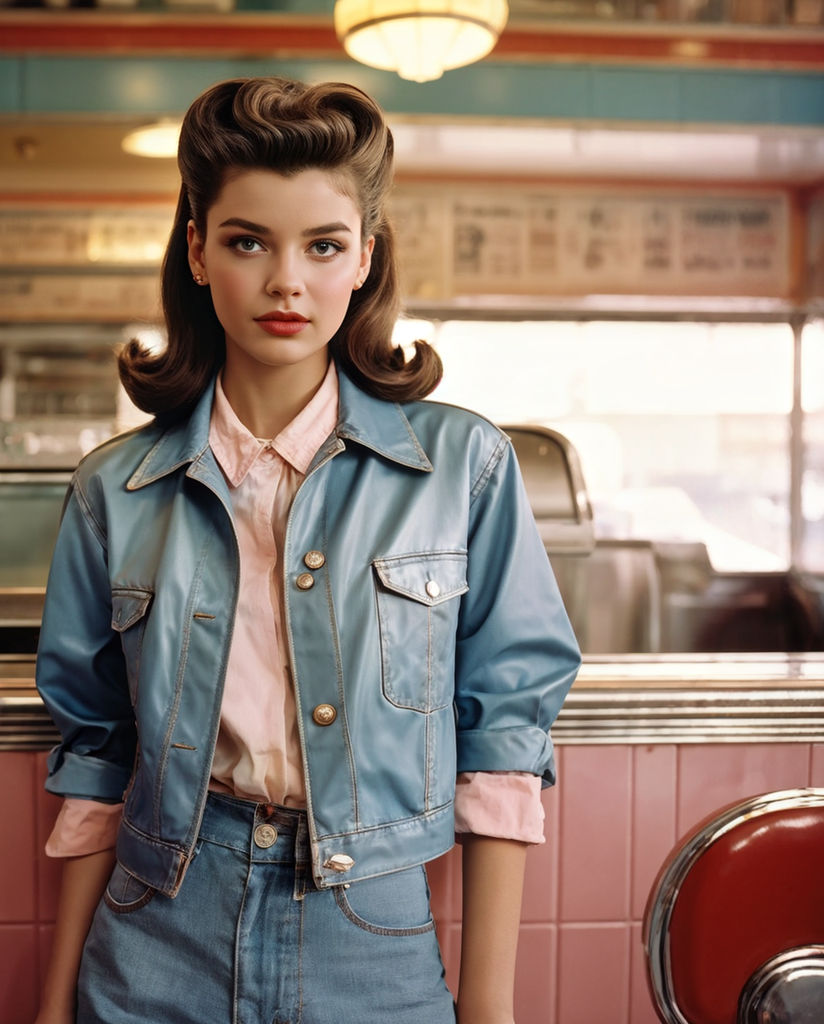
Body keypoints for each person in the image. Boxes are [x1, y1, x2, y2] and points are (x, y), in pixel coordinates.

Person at [34, 76, 580, 1024]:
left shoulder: (464, 467)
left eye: (323, 245)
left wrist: (489, 1011)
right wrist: (52, 1006)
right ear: (198, 252)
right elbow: (96, 753)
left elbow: (504, 748)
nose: (288, 280)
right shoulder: (111, 490)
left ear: (364, 259)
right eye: (249, 241)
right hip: (156, 929)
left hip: (369, 935)